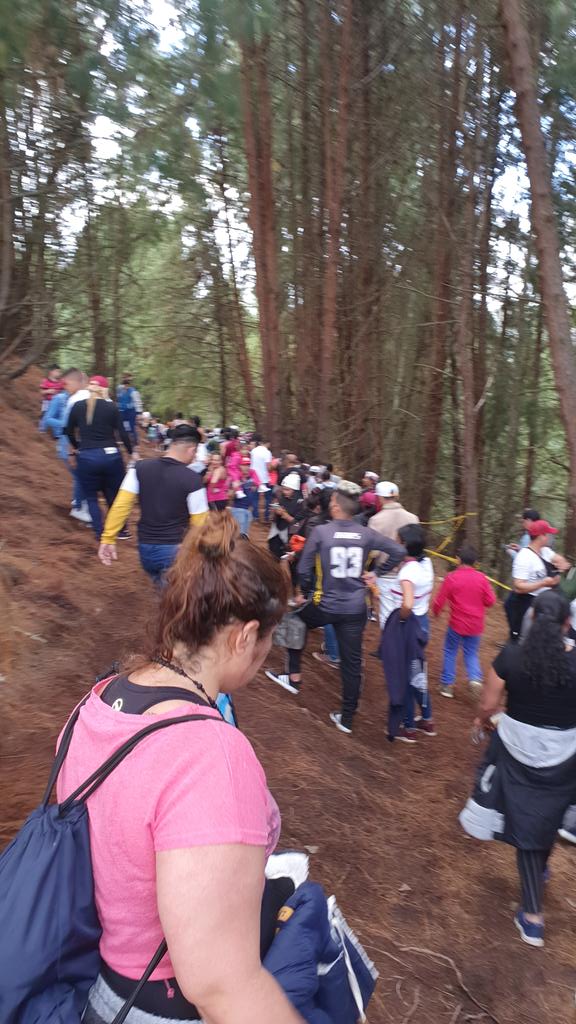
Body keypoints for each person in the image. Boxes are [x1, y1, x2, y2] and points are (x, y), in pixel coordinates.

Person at [58, 513, 303, 1024]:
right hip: (156, 1003)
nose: (264, 656)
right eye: (267, 642)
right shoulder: (210, 753)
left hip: (92, 976)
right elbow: (218, 987)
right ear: (245, 636)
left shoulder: (100, 698)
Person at [460, 590, 576, 949]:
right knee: (547, 817)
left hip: (517, 752)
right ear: (567, 624)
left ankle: (532, 916)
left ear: (530, 618)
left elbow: (489, 702)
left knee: (528, 824)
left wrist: (483, 722)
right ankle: (539, 872)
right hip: (566, 756)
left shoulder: (511, 655)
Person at [266, 481, 405, 735]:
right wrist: (375, 574)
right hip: (355, 609)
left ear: (338, 507)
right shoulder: (366, 533)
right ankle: (347, 718)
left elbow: (305, 568)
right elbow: (397, 551)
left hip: (326, 603)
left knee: (294, 621)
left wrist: (305, 592)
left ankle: (293, 677)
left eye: (332, 502)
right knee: (352, 662)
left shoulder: (322, 532)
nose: (330, 504)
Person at [99, 424, 208, 585]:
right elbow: (200, 523)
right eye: (196, 453)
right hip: (175, 551)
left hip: (145, 551)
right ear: (192, 450)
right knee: (177, 600)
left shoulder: (139, 468)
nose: (195, 457)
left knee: (163, 589)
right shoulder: (192, 480)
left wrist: (108, 538)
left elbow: (121, 506)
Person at [379, 524, 435, 743]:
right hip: (422, 623)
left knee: (405, 676)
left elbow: (408, 603)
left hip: (408, 626)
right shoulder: (426, 563)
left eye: (398, 541)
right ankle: (427, 720)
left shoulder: (407, 572)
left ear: (405, 545)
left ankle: (408, 726)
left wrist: (401, 620)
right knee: (417, 672)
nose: (395, 544)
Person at [65, 375, 133, 540]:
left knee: (91, 497)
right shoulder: (112, 407)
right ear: (105, 389)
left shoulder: (77, 406)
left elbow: (68, 431)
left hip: (87, 456)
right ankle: (121, 530)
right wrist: (131, 451)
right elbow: (122, 433)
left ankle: (99, 533)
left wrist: (78, 446)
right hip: (111, 456)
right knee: (114, 494)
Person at [432, 543, 496, 699]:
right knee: (471, 653)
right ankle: (474, 679)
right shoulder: (481, 578)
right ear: (475, 562)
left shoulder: (452, 577)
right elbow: (490, 601)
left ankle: (447, 685)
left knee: (450, 651)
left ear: (458, 559)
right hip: (476, 625)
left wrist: (435, 612)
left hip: (457, 623)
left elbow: (439, 601)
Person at [370, 481, 419, 630]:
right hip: (408, 572)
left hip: (385, 572)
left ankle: (390, 648)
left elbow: (373, 552)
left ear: (380, 498)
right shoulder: (413, 518)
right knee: (405, 611)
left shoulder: (376, 520)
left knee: (387, 615)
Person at [44, 377, 92, 524]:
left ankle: (79, 504)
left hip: (73, 443)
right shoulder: (60, 398)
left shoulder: (77, 399)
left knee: (80, 476)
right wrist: (65, 424)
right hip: (66, 444)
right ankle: (79, 507)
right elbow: (48, 419)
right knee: (81, 476)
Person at [506, 519, 562, 641]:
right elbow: (519, 586)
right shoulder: (524, 556)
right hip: (525, 603)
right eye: (548, 534)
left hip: (540, 603)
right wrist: (543, 583)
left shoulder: (544, 552)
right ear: (541, 536)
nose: (550, 537)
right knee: (522, 640)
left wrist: (557, 574)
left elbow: (557, 565)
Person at [231, 457, 260, 537]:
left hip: (248, 510)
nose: (246, 467)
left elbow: (254, 491)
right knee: (239, 535)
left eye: (248, 465)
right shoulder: (236, 478)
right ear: (239, 466)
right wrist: (235, 489)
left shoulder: (251, 477)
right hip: (238, 510)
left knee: (245, 535)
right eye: (244, 465)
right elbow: (229, 496)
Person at [251, 434, 274, 523]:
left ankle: (255, 516)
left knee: (255, 498)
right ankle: (266, 517)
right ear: (268, 444)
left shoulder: (253, 450)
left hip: (254, 478)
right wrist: (273, 467)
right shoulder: (267, 452)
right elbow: (268, 467)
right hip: (264, 478)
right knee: (268, 498)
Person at [116, 373, 143, 445]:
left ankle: (134, 442)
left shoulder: (133, 391)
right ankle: (124, 440)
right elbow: (118, 400)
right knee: (122, 425)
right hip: (121, 411)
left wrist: (139, 413)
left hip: (130, 411)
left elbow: (137, 401)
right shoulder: (119, 390)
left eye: (126, 385)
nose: (125, 387)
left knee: (131, 427)